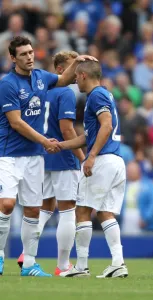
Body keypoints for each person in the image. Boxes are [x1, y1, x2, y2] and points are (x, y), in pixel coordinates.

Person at [0, 36, 96, 277]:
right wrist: (45, 141)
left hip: (35, 157)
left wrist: (78, 62)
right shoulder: (8, 84)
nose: (29, 57)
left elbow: (63, 79)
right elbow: (16, 122)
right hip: (9, 155)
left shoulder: (42, 78)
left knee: (33, 210)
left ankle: (29, 263)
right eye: (23, 54)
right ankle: (0, 255)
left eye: (31, 52)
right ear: (13, 58)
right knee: (7, 204)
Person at [17, 51, 85, 275]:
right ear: (59, 70)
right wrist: (82, 157)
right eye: (72, 68)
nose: (77, 74)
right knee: (68, 210)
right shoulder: (65, 92)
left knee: (44, 207)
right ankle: (63, 266)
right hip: (61, 155)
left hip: (40, 155)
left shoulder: (40, 89)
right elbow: (66, 129)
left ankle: (26, 254)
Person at [58, 61, 128, 278]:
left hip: (103, 159)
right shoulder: (106, 95)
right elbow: (89, 136)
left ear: (83, 76)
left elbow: (106, 126)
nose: (75, 81)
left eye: (77, 77)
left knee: (82, 210)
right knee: (105, 212)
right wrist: (59, 145)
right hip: (116, 159)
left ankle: (81, 266)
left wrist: (92, 156)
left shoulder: (96, 96)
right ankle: (118, 263)